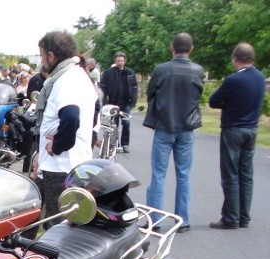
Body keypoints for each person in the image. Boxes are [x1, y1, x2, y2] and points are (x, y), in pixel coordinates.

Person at [33, 31, 97, 225]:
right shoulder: (77, 75)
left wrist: (58, 145)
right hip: (61, 164)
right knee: (35, 217)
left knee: (57, 228)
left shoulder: (67, 80)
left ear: (51, 56)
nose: (42, 61)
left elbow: (71, 117)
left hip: (62, 166)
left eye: (43, 56)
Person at [143, 33, 204, 233]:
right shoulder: (198, 71)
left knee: (158, 174)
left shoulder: (161, 70)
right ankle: (183, 220)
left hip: (164, 126)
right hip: (186, 127)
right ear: (191, 48)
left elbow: (151, 93)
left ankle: (155, 220)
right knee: (184, 175)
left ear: (172, 48)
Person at [207, 43, 266, 229]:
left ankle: (230, 217)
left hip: (233, 128)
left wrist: (226, 103)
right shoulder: (260, 77)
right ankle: (244, 217)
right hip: (252, 128)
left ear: (236, 58)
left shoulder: (233, 80)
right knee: (246, 174)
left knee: (230, 174)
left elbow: (214, 101)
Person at [99, 52, 137, 152]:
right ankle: (115, 144)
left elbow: (134, 87)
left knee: (126, 123)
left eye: (121, 61)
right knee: (113, 125)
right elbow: (103, 87)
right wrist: (104, 101)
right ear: (115, 61)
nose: (120, 62)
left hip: (125, 104)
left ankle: (125, 144)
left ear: (125, 61)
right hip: (112, 103)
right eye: (118, 61)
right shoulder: (108, 73)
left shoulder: (130, 73)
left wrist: (133, 101)